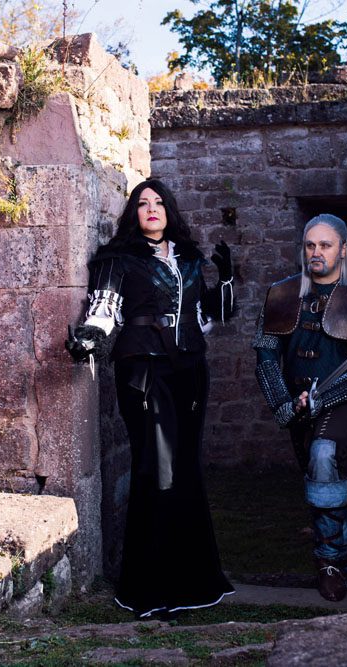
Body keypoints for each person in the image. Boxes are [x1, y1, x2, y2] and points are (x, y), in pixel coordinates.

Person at [66, 179, 236, 618]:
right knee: (156, 467)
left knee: (185, 468)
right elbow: (104, 310)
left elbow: (206, 317)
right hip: (143, 369)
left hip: (189, 371)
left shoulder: (189, 259)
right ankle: (150, 588)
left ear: (169, 210)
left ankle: (193, 583)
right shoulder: (118, 259)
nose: (152, 209)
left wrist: (226, 279)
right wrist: (89, 338)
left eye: (159, 202)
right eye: (143, 203)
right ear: (134, 213)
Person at [252, 214, 347, 601]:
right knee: (318, 477)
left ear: (343, 250)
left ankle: (330, 564)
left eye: (325, 245)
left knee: (323, 454)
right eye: (310, 245)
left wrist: (323, 398)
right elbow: (265, 357)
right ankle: (342, 550)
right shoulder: (281, 295)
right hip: (297, 405)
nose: (316, 252)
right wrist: (284, 404)